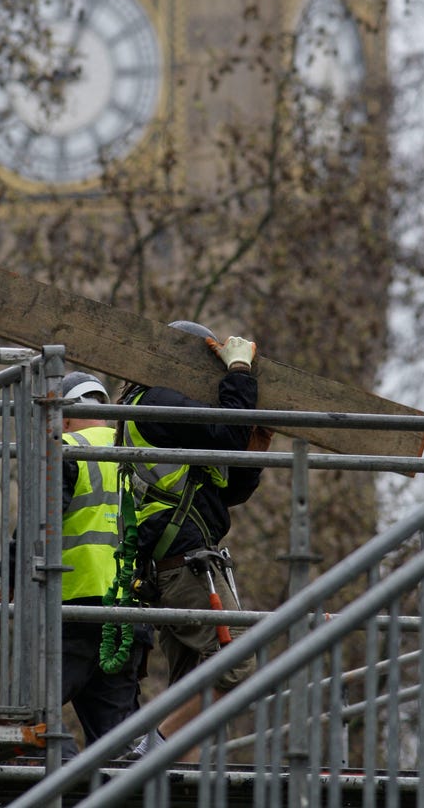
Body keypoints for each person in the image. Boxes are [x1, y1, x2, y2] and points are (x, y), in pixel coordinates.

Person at [116, 321, 271, 757]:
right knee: (237, 667)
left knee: (191, 684)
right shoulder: (157, 401)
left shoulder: (153, 409)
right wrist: (238, 372)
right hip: (186, 564)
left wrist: (251, 454)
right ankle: (152, 747)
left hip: (180, 562)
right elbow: (226, 434)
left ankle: (167, 767)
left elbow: (227, 492)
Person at [54, 371, 154, 757]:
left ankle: (64, 777)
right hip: (126, 613)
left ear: (63, 418)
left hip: (74, 606)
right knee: (117, 743)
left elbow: (37, 526)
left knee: (29, 708)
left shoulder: (62, 448)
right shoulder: (136, 453)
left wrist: (11, 578)